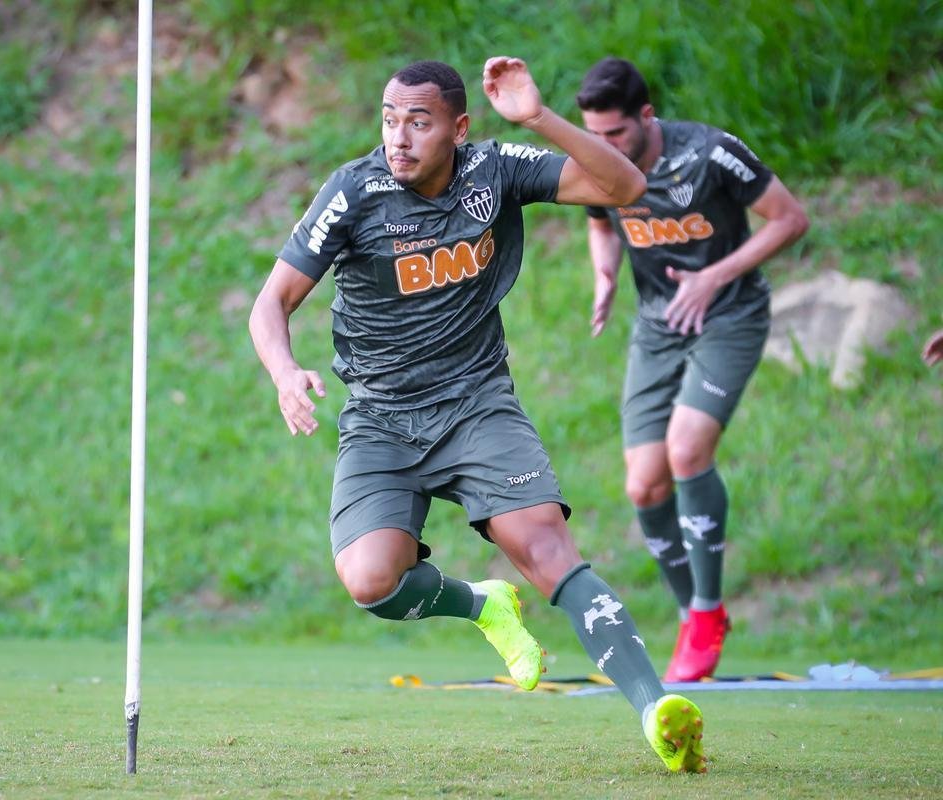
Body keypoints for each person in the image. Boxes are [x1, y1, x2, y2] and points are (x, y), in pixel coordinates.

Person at [249, 56, 706, 773]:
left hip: (475, 403)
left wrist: (538, 118)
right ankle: (483, 606)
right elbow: (270, 303)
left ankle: (656, 710)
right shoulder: (354, 192)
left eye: (419, 123)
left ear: (458, 128)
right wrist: (284, 373)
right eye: (389, 120)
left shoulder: (495, 171)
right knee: (372, 582)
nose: (399, 138)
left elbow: (626, 185)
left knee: (547, 550)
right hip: (381, 417)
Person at [575, 57, 810, 682]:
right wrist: (604, 274)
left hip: (729, 316)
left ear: (647, 117)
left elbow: (791, 219)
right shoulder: (602, 165)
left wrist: (713, 276)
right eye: (593, 137)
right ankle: (690, 613)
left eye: (616, 135)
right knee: (643, 487)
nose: (605, 150)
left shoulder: (711, 153)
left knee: (685, 451)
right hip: (657, 327)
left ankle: (708, 612)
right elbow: (600, 224)